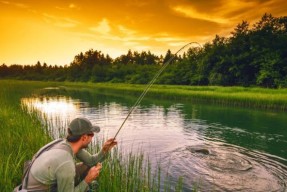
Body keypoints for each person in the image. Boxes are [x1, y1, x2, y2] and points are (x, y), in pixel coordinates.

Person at [24, 117, 117, 192]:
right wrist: (87, 179)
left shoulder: (64, 143)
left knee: (86, 166)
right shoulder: (66, 162)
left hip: (35, 183)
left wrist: (105, 150)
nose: (92, 137)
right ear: (84, 137)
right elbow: (65, 166)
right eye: (91, 135)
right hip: (38, 189)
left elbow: (91, 162)